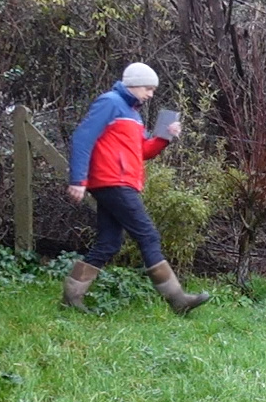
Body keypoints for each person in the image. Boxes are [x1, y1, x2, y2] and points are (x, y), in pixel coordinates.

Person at [62, 62, 209, 314]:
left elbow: (142, 151)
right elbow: (82, 138)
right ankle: (177, 299)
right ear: (133, 84)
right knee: (147, 235)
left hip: (120, 182)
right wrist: (78, 180)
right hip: (112, 181)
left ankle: (72, 297)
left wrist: (165, 137)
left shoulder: (133, 114)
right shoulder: (109, 102)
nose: (150, 94)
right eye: (148, 88)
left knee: (108, 243)